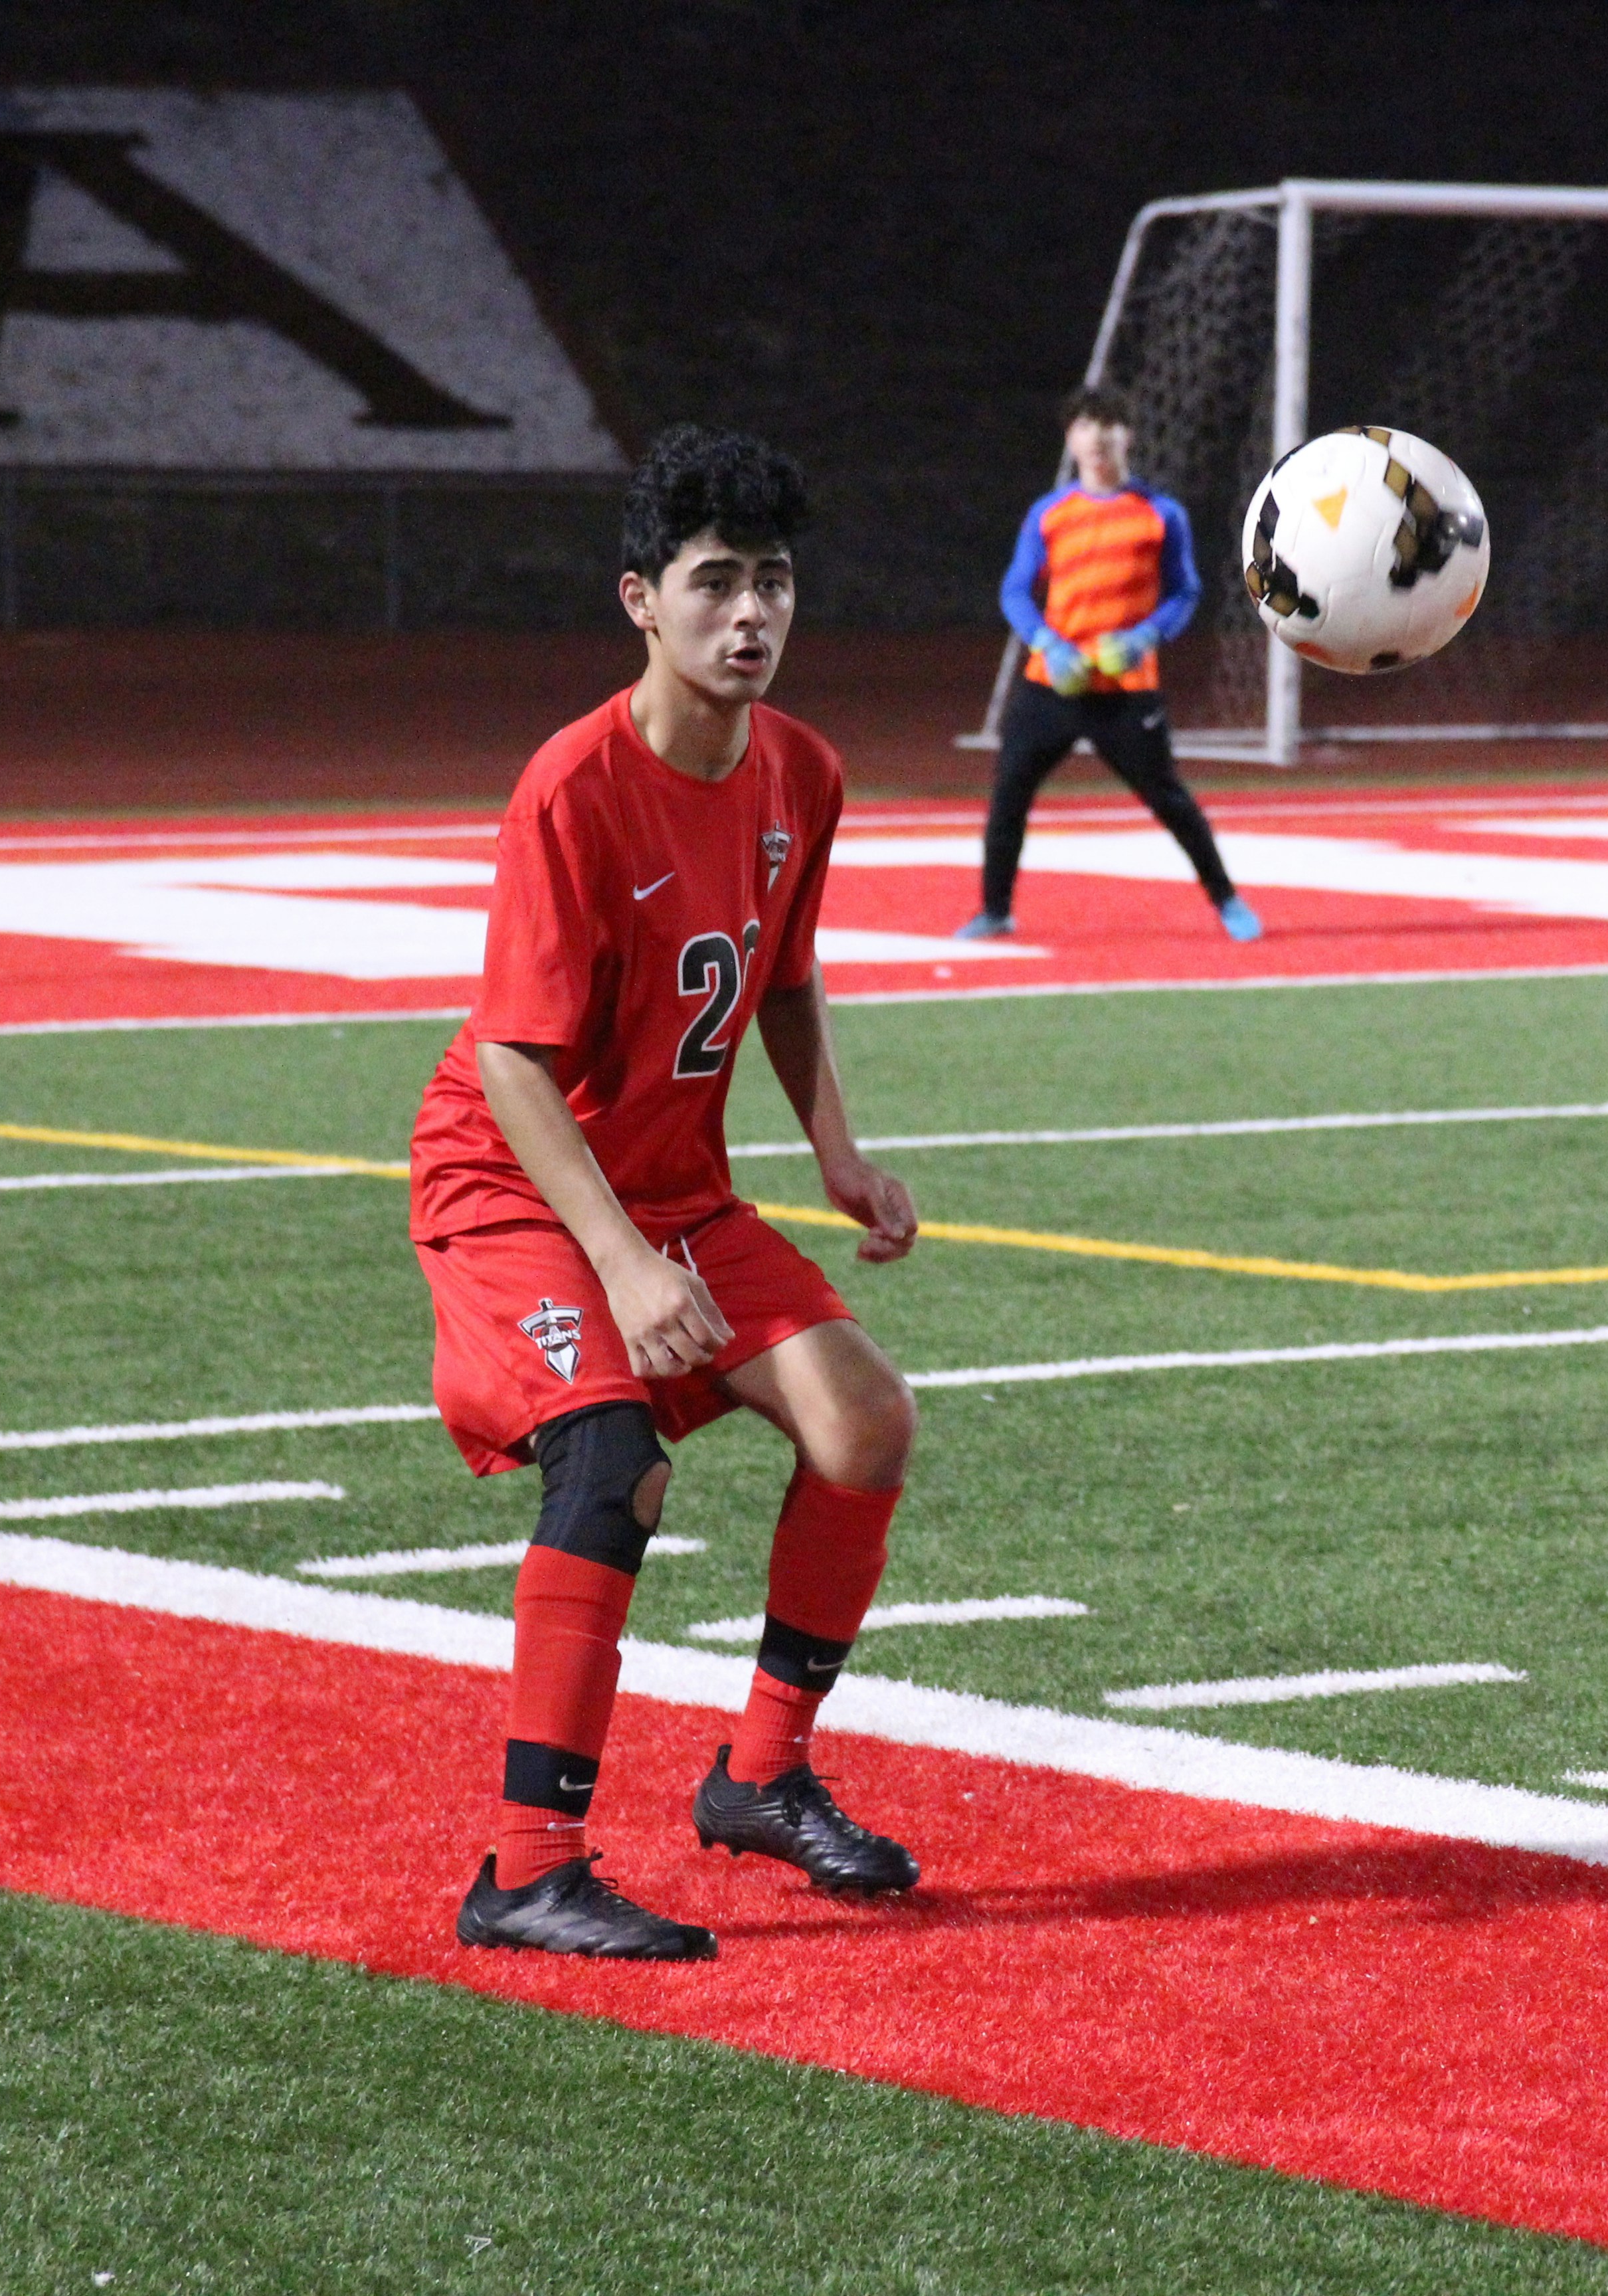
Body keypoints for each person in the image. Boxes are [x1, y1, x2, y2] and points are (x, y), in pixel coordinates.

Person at [415, 423, 925, 1961]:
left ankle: (758, 1777)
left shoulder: (801, 770)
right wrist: (629, 1267)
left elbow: (780, 975)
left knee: (864, 1421)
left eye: (773, 581)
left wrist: (834, 1150)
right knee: (613, 1459)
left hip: (669, 1184)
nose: (750, 615)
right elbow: (513, 1063)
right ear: (642, 598)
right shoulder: (573, 786)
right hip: (514, 1187)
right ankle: (524, 1866)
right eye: (714, 584)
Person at [962, 385, 1261, 944]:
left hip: (1126, 690)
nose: (1097, 437)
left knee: (1169, 799)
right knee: (1008, 797)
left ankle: (1227, 899)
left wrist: (1145, 636)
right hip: (1052, 685)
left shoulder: (1160, 514)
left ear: (1128, 435)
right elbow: (1015, 593)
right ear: (1072, 440)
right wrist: (1048, 644)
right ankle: (995, 910)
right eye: (1085, 426)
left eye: (1109, 425)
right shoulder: (1049, 514)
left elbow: (1184, 593)